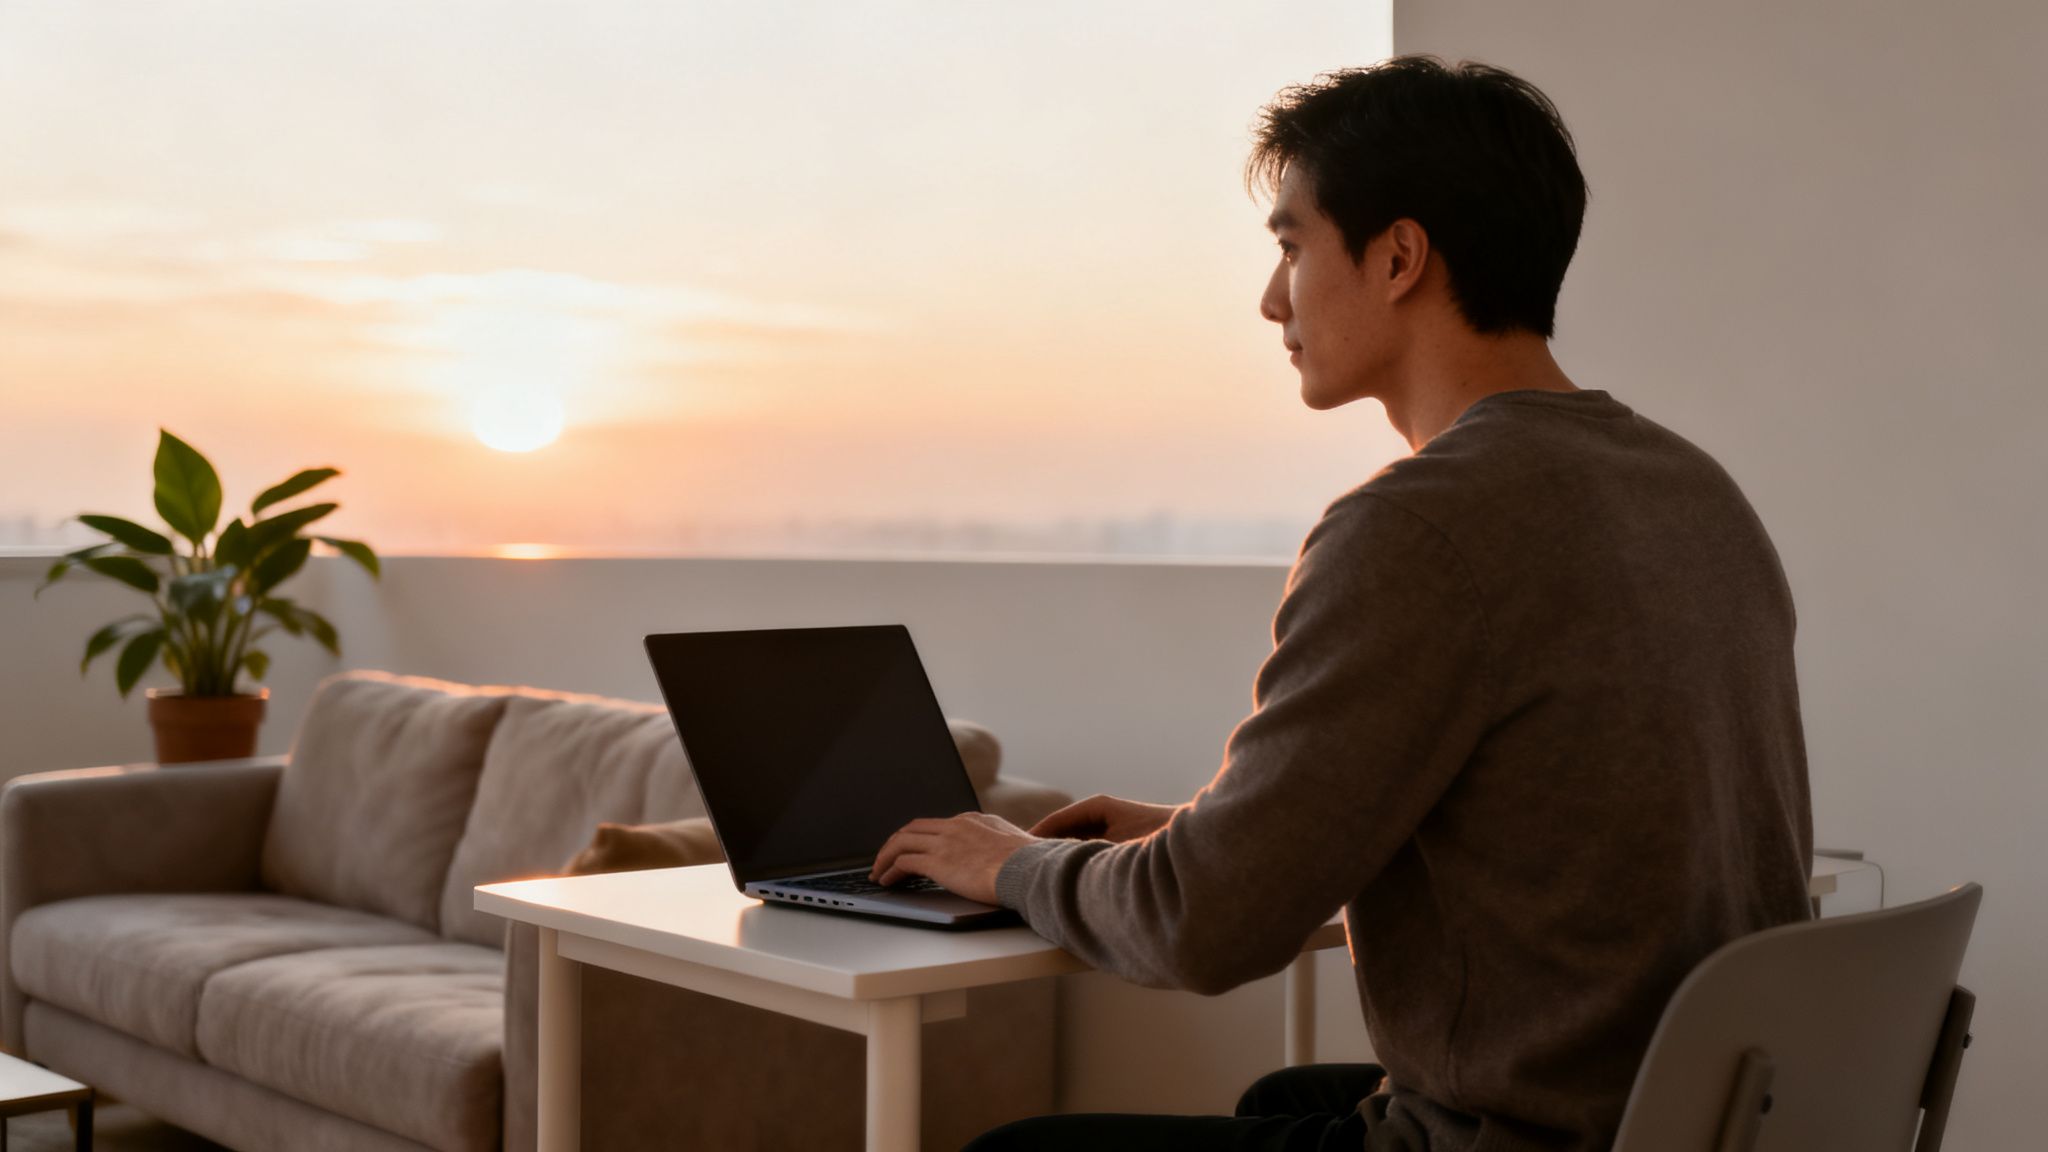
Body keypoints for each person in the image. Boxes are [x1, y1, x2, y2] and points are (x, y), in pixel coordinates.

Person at [870, 54, 1813, 1152]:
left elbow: (1201, 932)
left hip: (1523, 1133)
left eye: (1289, 247)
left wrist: (1012, 863)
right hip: (1691, 1115)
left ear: (1398, 256)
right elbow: (1543, 813)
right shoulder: (1692, 490)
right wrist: (1199, 833)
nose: (1271, 299)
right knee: (1284, 1102)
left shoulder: (1417, 526)